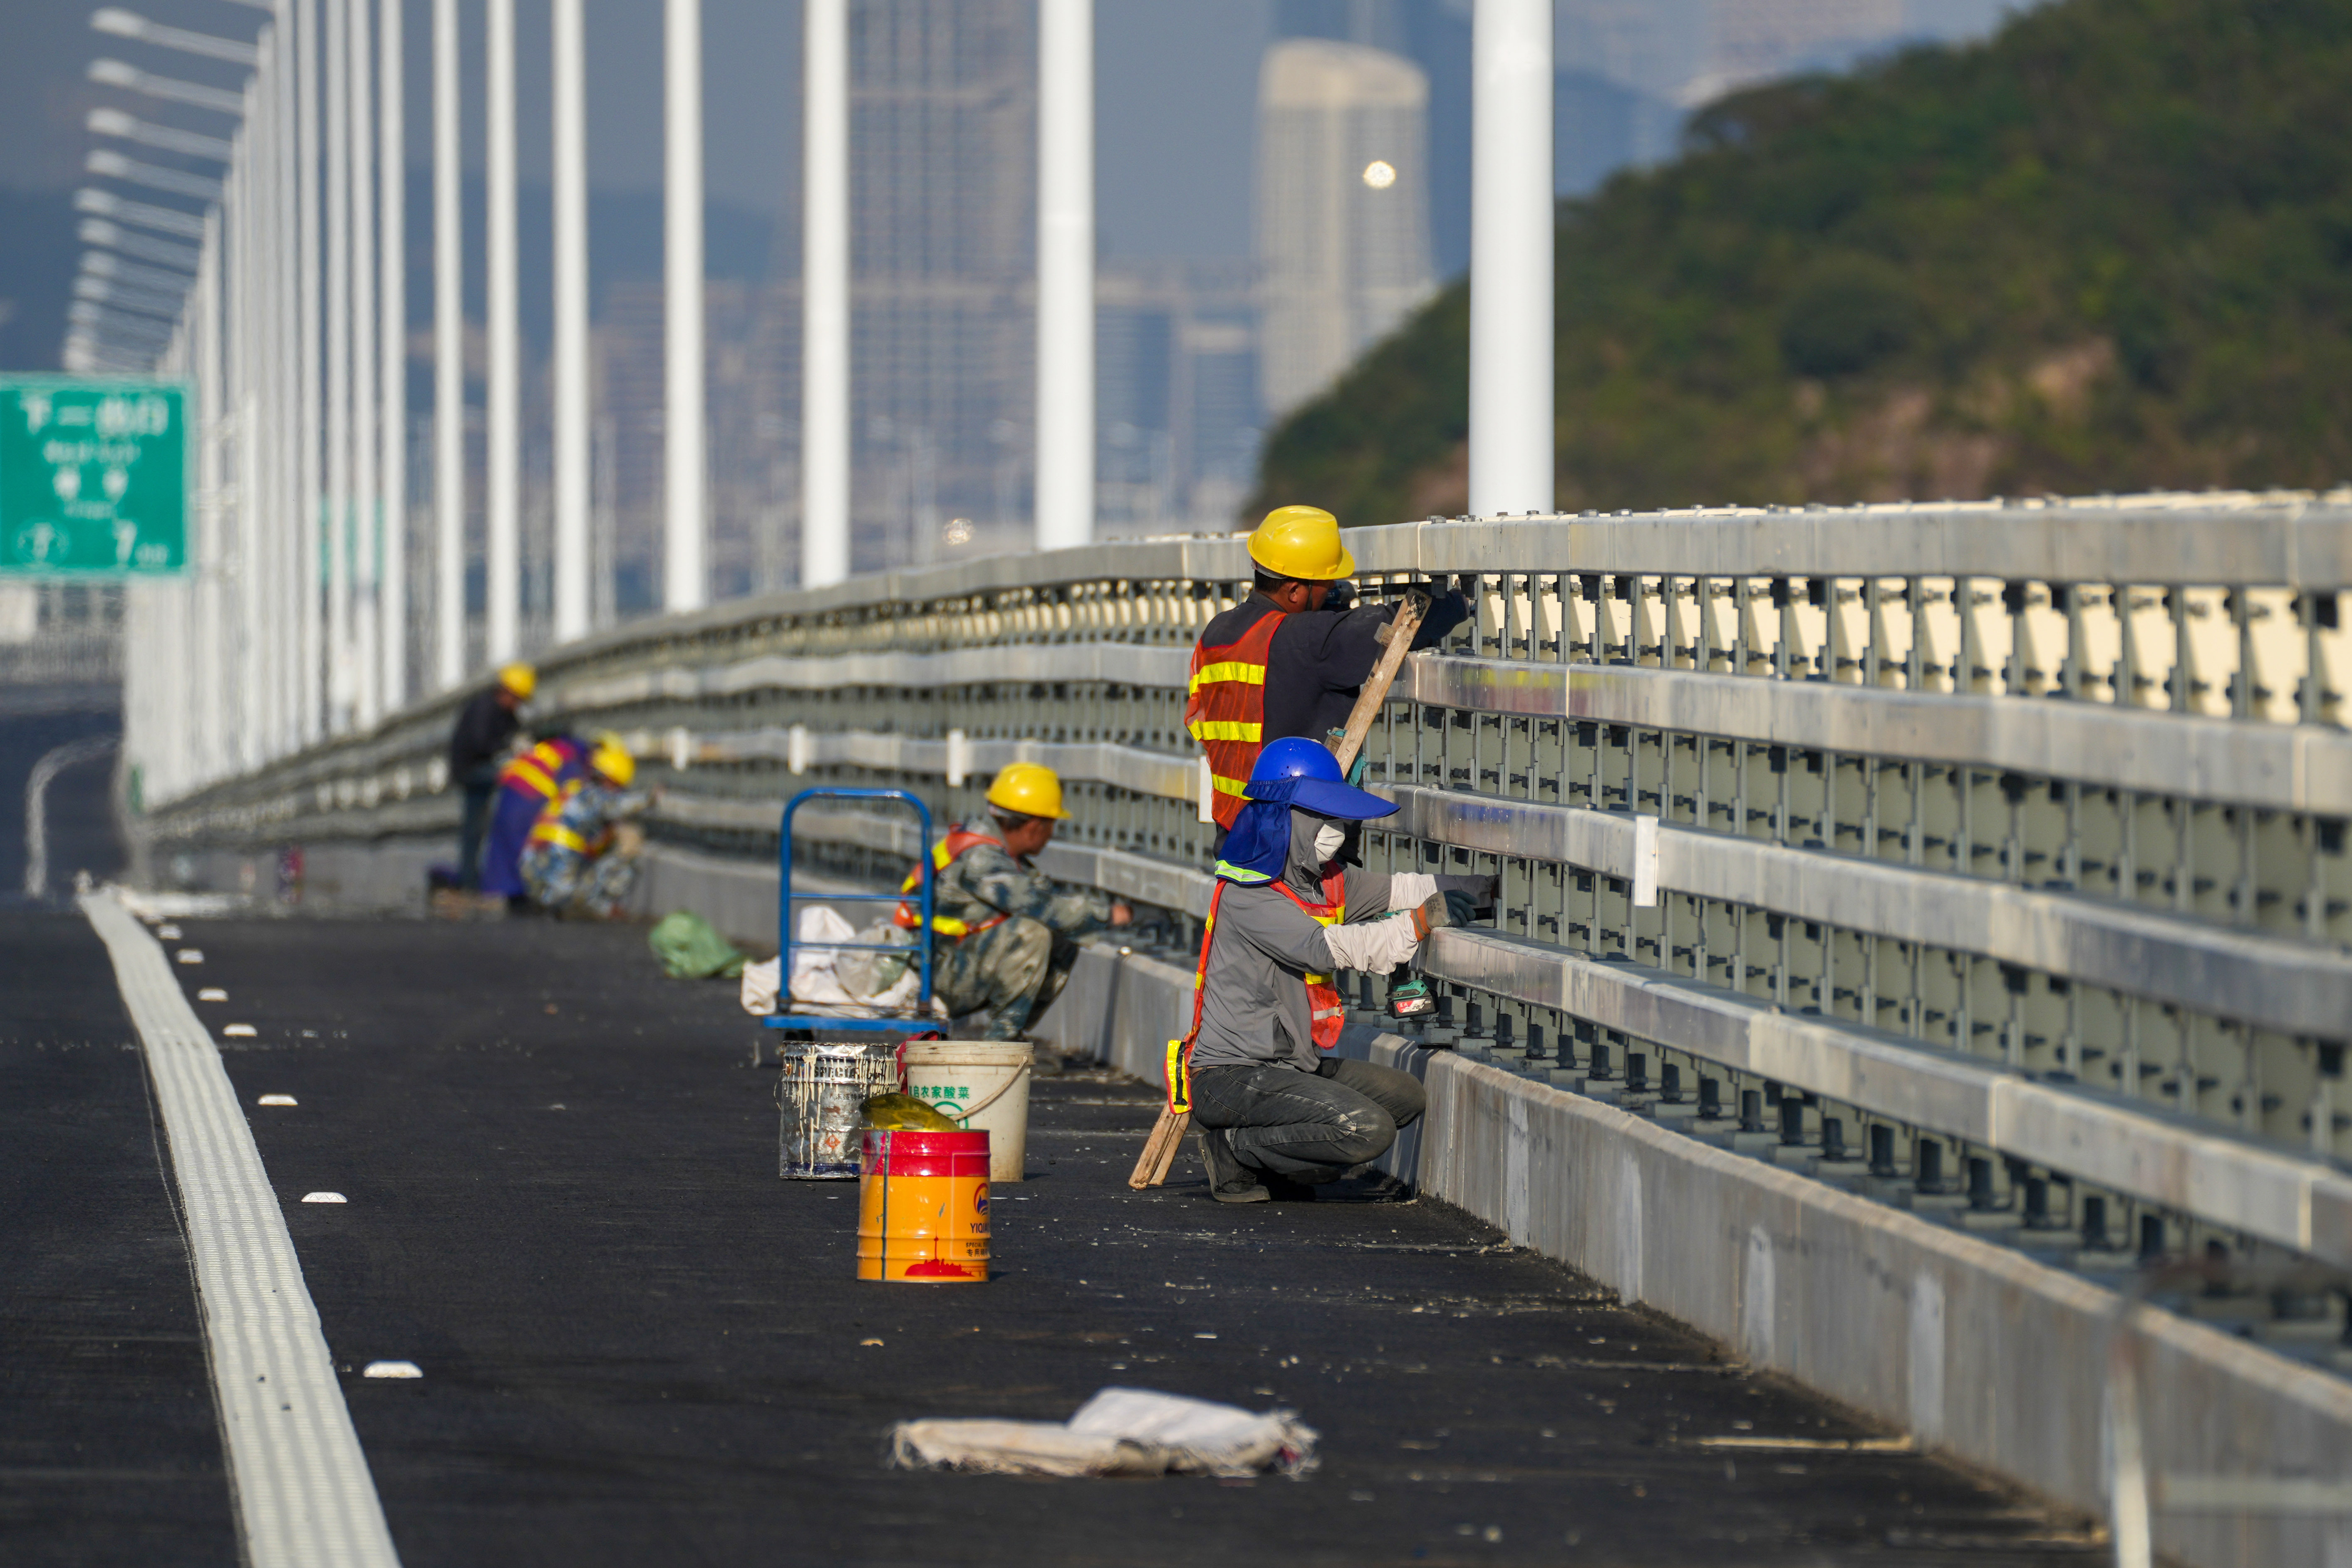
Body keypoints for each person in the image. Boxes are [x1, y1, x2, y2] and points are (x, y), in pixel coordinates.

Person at [1179, 738, 1494, 1204]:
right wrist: (1418, 923)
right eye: (1322, 818)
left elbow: (1401, 889)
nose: (1335, 830)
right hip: (1232, 1076)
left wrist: (1491, 890)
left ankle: (1277, 1165)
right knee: (1364, 1128)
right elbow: (1321, 950)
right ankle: (1236, 1151)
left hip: (1291, 1067)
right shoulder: (1249, 895)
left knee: (1404, 1096)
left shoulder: (1323, 881)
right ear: (1287, 819)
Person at [1185, 505, 1468, 834]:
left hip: (1236, 832)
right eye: (1325, 582)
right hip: (1297, 845)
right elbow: (1406, 621)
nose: (1332, 586)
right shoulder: (1305, 639)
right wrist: (1460, 602)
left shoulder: (1217, 632)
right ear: (1294, 590)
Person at [905, 762, 1133, 1040]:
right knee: (1033, 932)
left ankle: (1010, 1036)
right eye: (1052, 824)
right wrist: (1112, 914)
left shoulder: (986, 848)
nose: (1051, 834)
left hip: (944, 962)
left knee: (1064, 937)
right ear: (1035, 827)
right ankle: (1001, 1045)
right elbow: (1045, 907)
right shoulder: (982, 859)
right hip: (930, 976)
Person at [519, 738, 651, 919]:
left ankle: (555, 905)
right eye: (617, 786)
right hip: (558, 879)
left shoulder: (572, 789)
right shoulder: (592, 796)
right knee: (628, 844)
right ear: (606, 778)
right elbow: (616, 806)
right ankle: (598, 908)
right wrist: (650, 798)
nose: (617, 791)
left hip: (533, 872)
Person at [449, 663, 535, 889]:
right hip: (472, 771)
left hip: (478, 769)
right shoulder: (485, 709)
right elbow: (481, 744)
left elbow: (517, 733)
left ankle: (471, 879)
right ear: (506, 692)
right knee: (475, 826)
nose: (517, 705)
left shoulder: (504, 712)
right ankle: (471, 880)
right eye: (517, 699)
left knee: (475, 827)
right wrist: (510, 749)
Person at [479, 733, 588, 904]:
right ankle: (528, 895)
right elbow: (572, 793)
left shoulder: (551, 749)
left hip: (507, 793)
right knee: (526, 847)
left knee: (505, 848)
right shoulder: (572, 758)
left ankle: (509, 895)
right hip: (530, 798)